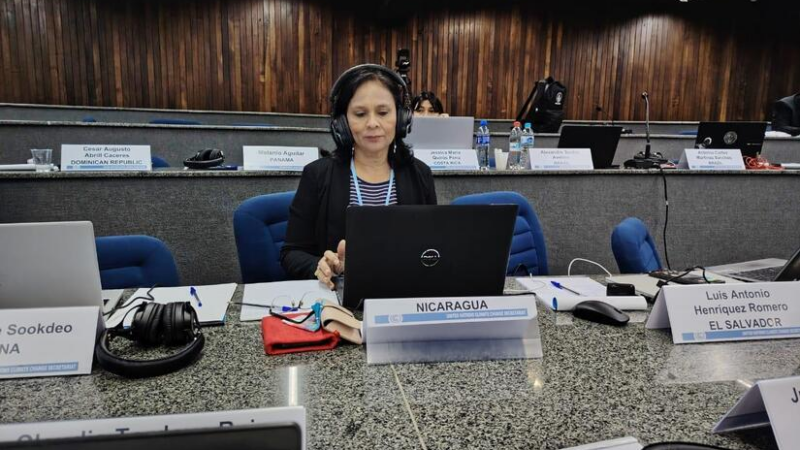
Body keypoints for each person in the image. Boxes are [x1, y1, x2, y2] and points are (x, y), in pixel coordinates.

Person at [280, 64, 438, 289]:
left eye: (383, 112)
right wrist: (320, 266)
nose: (372, 123)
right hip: (340, 298)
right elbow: (291, 253)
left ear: (402, 118)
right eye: (360, 114)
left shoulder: (420, 174)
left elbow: (432, 248)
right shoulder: (317, 175)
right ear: (342, 122)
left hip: (403, 293)